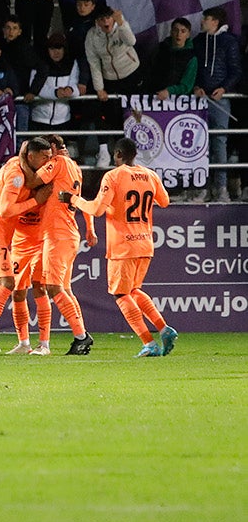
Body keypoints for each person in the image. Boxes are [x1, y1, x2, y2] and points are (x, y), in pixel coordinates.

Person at [62, 138, 177, 357]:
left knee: (121, 295)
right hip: (145, 242)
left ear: (117, 154)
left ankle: (149, 343)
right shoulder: (150, 175)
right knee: (133, 291)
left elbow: (96, 209)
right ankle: (164, 329)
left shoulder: (113, 176)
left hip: (123, 245)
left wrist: (73, 200)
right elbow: (164, 201)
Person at [0, 138, 58, 355]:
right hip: (10, 238)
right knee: (13, 288)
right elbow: (7, 207)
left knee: (36, 289)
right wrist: (34, 201)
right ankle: (11, 341)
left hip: (38, 240)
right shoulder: (17, 173)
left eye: (52, 156)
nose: (50, 161)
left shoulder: (40, 172)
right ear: (31, 156)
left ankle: (44, 344)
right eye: (45, 157)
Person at [33, 133, 96, 355]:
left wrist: (23, 158)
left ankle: (81, 336)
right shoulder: (75, 167)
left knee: (54, 287)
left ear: (52, 148)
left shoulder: (58, 163)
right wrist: (90, 228)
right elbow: (82, 199)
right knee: (61, 288)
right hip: (67, 232)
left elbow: (35, 179)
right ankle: (76, 336)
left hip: (58, 233)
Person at [191, 7, 241, 203]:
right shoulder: (197, 42)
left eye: (206, 18)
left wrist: (224, 89)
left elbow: (236, 70)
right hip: (198, 101)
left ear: (216, 22)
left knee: (219, 143)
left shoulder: (229, 42)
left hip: (220, 101)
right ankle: (201, 188)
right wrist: (195, 86)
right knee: (197, 145)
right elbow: (192, 67)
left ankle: (221, 188)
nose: (202, 21)